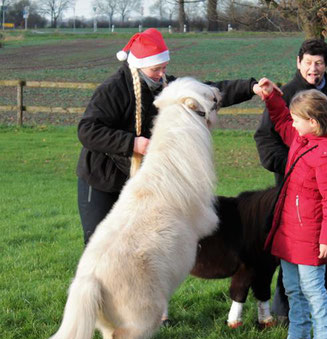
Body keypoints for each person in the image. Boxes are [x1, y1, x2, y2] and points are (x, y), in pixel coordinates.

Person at [77, 28, 260, 245]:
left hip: (141, 181)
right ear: (139, 65)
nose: (162, 74)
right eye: (156, 69)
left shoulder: (166, 87)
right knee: (99, 242)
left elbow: (207, 93)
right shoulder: (113, 89)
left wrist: (251, 87)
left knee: (138, 243)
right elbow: (87, 129)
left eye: (164, 67)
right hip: (102, 179)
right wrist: (133, 143)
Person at [254, 39, 327, 321]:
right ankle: (286, 314)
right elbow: (266, 139)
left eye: (319, 63)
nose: (313, 68)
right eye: (308, 62)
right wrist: (298, 166)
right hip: (293, 192)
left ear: (326, 66)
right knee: (293, 254)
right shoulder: (287, 95)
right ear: (298, 62)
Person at [254, 78, 327, 339]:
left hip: (311, 235)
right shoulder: (302, 138)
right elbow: (279, 119)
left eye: (296, 118)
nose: (292, 123)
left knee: (313, 289)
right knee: (292, 288)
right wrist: (270, 98)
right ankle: (297, 338)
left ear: (313, 122)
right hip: (289, 230)